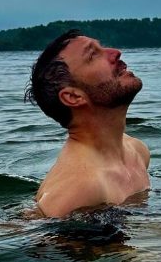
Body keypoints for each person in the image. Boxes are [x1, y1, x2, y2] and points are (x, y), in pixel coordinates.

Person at [25, 30, 150, 217]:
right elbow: (42, 240)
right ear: (73, 96)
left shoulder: (138, 152)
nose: (116, 52)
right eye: (93, 55)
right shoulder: (78, 188)